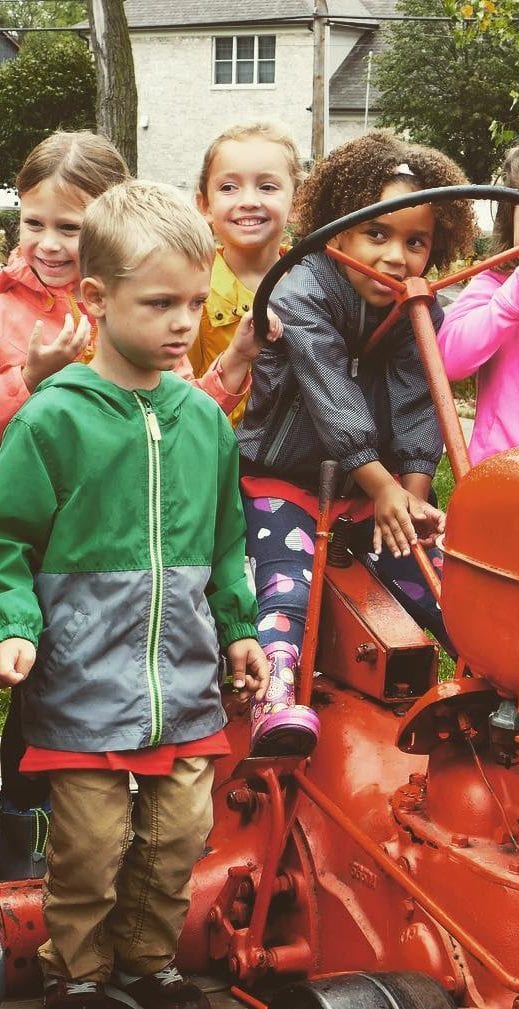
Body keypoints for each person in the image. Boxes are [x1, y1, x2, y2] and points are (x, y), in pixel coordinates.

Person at [0, 179, 270, 1009]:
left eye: (193, 302)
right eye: (159, 303)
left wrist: (239, 626)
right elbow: (8, 540)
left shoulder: (206, 422)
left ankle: (149, 962)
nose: (183, 323)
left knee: (179, 834)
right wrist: (15, 622)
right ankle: (77, 972)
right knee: (88, 846)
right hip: (82, 681)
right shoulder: (52, 420)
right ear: (96, 297)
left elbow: (227, 541)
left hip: (182, 682)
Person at [237, 130, 476, 757]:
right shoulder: (301, 293)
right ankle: (274, 695)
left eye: (415, 242)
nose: (396, 257)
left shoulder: (418, 308)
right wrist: (383, 484)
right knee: (287, 586)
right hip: (282, 482)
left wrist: (412, 496)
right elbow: (330, 396)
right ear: (337, 232)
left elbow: (419, 402)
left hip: (370, 491)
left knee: (439, 579)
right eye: (377, 234)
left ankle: (495, 680)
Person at [0, 129, 267, 440]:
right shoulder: (6, 308)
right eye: (34, 223)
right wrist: (30, 378)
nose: (48, 244)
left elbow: (180, 416)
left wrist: (236, 358)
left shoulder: (144, 302)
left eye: (69, 228)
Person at [438, 135, 519, 464]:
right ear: (508, 224)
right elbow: (448, 360)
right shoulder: (493, 285)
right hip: (502, 468)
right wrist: (508, 303)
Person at [190, 122, 303, 425]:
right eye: (228, 188)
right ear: (204, 204)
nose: (249, 201)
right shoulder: (191, 287)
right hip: (216, 440)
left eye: (267, 187)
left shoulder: (314, 281)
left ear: (297, 203)